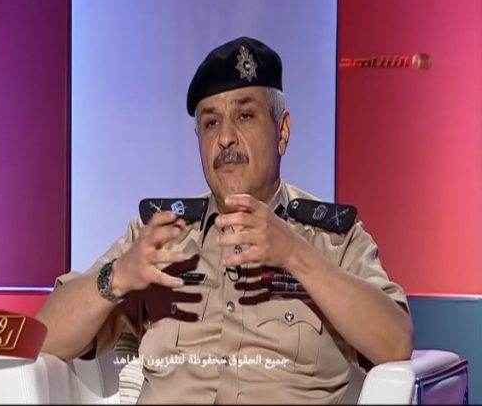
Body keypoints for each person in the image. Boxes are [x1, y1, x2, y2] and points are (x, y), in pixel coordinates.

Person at [37, 36, 413, 404]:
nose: (226, 138)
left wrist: (296, 256)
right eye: (211, 123)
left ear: (282, 132)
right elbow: (44, 337)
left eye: (245, 116)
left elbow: (394, 343)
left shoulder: (333, 239)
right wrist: (118, 275)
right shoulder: (161, 237)